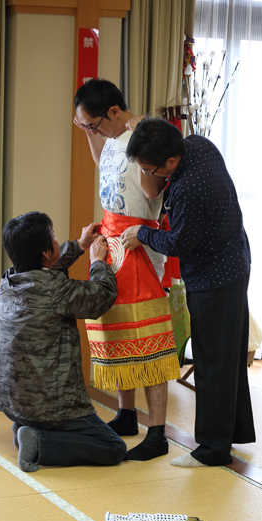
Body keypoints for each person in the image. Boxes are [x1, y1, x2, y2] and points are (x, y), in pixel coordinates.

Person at [121, 117, 256, 468]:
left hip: (215, 275)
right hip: (234, 260)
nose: (145, 173)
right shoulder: (197, 144)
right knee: (228, 359)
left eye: (148, 168)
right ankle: (232, 434)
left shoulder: (188, 189)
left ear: (170, 162)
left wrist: (141, 233)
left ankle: (212, 450)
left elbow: (178, 242)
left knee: (211, 362)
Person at [73, 79, 180, 462]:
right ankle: (126, 413)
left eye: (94, 125)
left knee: (145, 336)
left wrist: (140, 232)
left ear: (114, 112)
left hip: (137, 240)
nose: (93, 132)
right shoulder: (112, 138)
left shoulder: (145, 136)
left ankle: (158, 432)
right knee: (114, 328)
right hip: (111, 238)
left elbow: (152, 193)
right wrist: (89, 133)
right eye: (86, 127)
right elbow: (104, 163)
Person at [0, 211, 126, 472]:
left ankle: (27, 428)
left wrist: (80, 245)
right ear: (46, 252)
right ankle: (38, 439)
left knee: (39, 418)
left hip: (10, 401)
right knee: (113, 448)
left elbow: (48, 268)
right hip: (49, 406)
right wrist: (97, 262)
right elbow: (102, 295)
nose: (58, 241)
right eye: (55, 238)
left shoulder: (9, 280)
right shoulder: (56, 291)